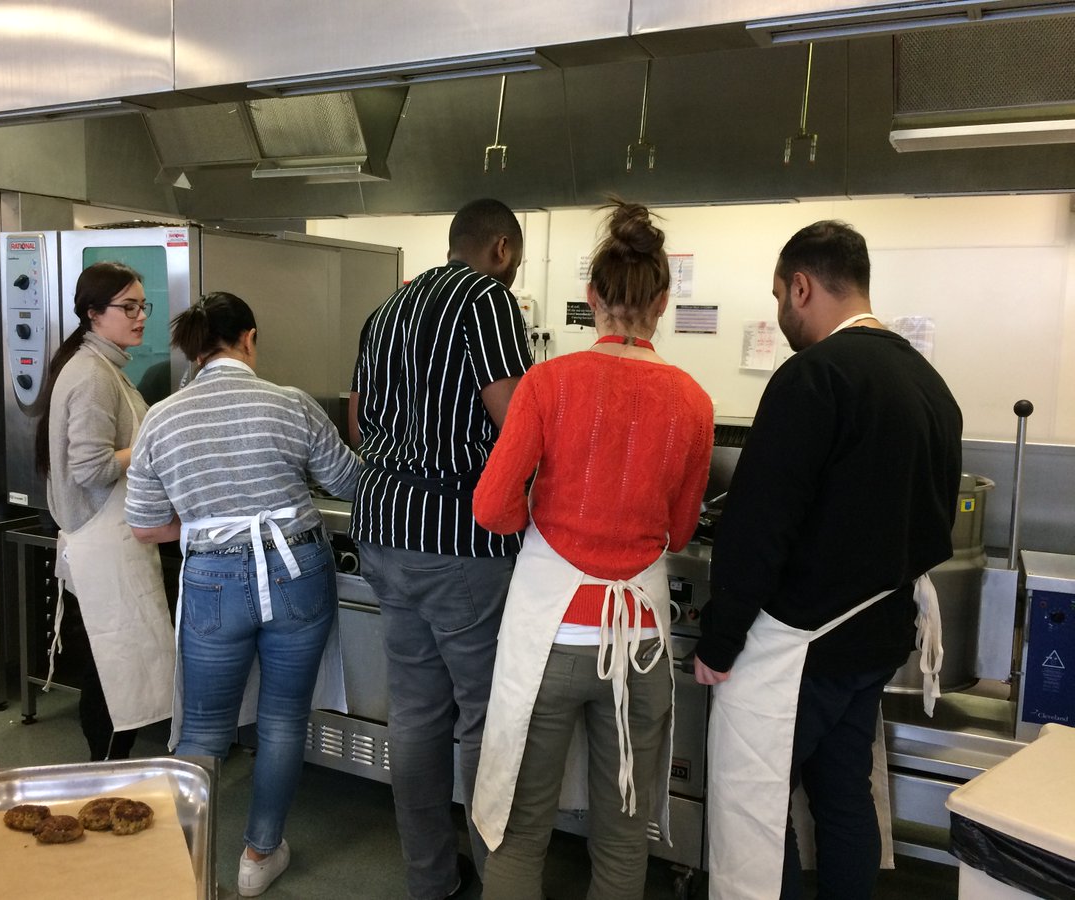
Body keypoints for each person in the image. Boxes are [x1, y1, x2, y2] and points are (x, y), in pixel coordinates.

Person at [693, 220, 963, 900]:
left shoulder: (813, 377)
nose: (780, 311)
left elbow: (758, 526)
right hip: (876, 639)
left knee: (757, 802)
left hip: (799, 651)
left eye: (780, 293)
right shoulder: (928, 382)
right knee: (844, 794)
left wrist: (719, 641)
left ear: (802, 287)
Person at [470, 200, 714, 900]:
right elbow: (681, 524)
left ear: (591, 300)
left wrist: (544, 515)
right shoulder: (693, 402)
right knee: (623, 833)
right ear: (663, 303)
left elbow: (492, 507)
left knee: (522, 831)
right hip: (637, 641)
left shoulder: (548, 383)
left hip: (549, 635)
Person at [125, 291, 360, 898]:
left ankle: (188, 867)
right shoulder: (290, 404)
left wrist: (208, 525)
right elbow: (350, 481)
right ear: (249, 339)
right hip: (297, 570)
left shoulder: (162, 417)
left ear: (194, 352)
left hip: (211, 581)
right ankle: (258, 856)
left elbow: (146, 525)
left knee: (202, 731)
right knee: (282, 721)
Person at [349, 198, 533, 900]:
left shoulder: (386, 308)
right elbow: (513, 418)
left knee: (418, 712)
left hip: (384, 527)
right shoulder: (488, 299)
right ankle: (499, 880)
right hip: (461, 537)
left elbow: (360, 422)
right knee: (484, 715)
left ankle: (430, 879)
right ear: (500, 249)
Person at [35, 260, 175, 762]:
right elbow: (91, 468)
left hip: (107, 542)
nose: (140, 317)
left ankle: (107, 769)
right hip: (102, 545)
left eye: (143, 306)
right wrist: (155, 442)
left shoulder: (100, 367)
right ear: (94, 313)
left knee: (113, 668)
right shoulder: (93, 374)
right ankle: (105, 773)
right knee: (116, 674)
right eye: (128, 307)